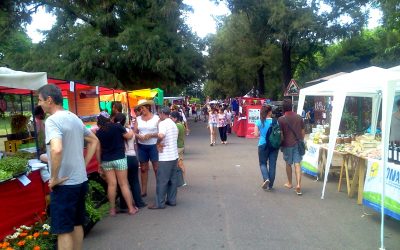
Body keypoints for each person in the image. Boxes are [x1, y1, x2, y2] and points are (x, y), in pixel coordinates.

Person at [38, 84, 99, 250]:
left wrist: (54, 178)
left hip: (64, 185)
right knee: (77, 223)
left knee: (63, 230)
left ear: (49, 100)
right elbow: (94, 141)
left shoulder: (52, 121)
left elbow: (57, 149)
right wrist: (84, 164)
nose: (39, 104)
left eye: (40, 100)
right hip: (80, 181)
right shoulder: (74, 117)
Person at [96, 112, 138, 216]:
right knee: (123, 184)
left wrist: (99, 163)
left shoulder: (99, 132)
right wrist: (131, 129)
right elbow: (128, 136)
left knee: (111, 185)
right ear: (109, 118)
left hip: (106, 160)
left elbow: (98, 149)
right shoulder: (117, 126)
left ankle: (112, 210)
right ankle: (131, 209)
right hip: (119, 158)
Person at [114, 113, 147, 209]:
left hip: (122, 158)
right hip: (132, 157)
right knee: (135, 182)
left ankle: (124, 205)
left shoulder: (115, 132)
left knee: (122, 183)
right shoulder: (130, 131)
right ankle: (139, 202)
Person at [148, 107, 179, 209]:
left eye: (159, 114)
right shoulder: (173, 124)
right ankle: (172, 200)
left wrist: (157, 143)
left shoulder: (163, 123)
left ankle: (159, 203)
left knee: (162, 181)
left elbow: (161, 135)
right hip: (174, 156)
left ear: (161, 113)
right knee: (172, 180)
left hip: (165, 156)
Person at [278, 99, 305, 195]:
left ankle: (289, 183)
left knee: (288, 164)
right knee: (297, 164)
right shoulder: (299, 117)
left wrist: (280, 143)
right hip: (297, 143)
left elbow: (281, 135)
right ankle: (298, 184)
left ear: (283, 108)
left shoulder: (281, 119)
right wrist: (301, 140)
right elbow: (302, 132)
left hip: (287, 145)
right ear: (292, 107)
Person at [134, 99, 160, 197]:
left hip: (153, 145)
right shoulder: (138, 119)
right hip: (142, 146)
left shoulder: (156, 118)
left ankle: (159, 190)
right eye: (140, 108)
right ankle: (143, 191)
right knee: (143, 169)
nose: (141, 110)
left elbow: (161, 133)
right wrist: (138, 136)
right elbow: (134, 132)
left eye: (142, 107)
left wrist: (151, 135)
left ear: (148, 107)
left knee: (156, 168)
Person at [253, 105, 279, 190]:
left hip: (263, 144)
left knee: (263, 163)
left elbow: (256, 134)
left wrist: (261, 134)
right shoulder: (275, 121)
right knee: (272, 165)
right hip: (274, 145)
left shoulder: (259, 121)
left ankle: (266, 178)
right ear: (269, 112)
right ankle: (270, 186)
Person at [170, 111, 186, 186]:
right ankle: (181, 180)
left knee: (179, 164)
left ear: (175, 118)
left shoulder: (176, 126)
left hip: (177, 146)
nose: (170, 119)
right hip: (181, 145)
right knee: (180, 163)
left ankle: (182, 181)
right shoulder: (181, 125)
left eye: (171, 118)